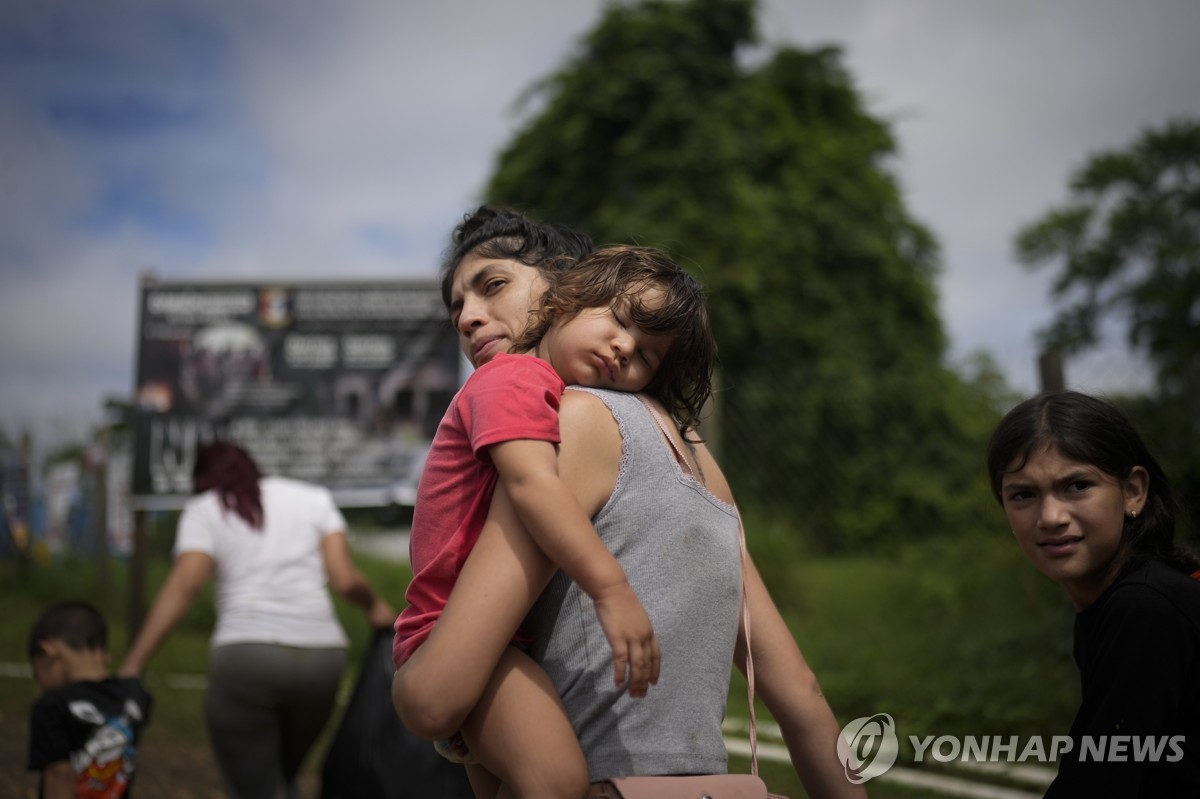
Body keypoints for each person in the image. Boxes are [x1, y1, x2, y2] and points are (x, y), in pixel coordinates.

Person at [394, 205, 864, 799]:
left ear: (564, 285)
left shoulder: (571, 416)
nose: (468, 318)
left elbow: (434, 693)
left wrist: (610, 590)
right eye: (457, 305)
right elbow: (799, 688)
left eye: (494, 286)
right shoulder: (695, 457)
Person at [395, 241, 714, 796]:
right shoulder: (514, 378)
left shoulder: (550, 391)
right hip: (451, 638)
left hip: (501, 643)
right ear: (564, 301)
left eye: (645, 355)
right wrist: (611, 589)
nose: (623, 347)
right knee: (558, 779)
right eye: (619, 320)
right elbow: (533, 484)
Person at [117, 442, 396, 799]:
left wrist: (134, 664)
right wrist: (374, 606)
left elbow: (186, 585)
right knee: (282, 777)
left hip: (246, 659)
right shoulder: (313, 499)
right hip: (321, 660)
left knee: (258, 787)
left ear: (203, 478)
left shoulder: (204, 509)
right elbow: (345, 579)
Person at [986, 390, 1200, 796]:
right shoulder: (1121, 598)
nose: (1051, 517)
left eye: (1078, 485)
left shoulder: (1147, 606)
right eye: (1023, 495)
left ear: (1134, 492)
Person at [27, 600, 153, 799]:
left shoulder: (52, 706)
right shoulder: (134, 697)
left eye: (37, 674)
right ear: (105, 654)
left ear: (49, 652)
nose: (41, 685)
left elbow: (58, 775)